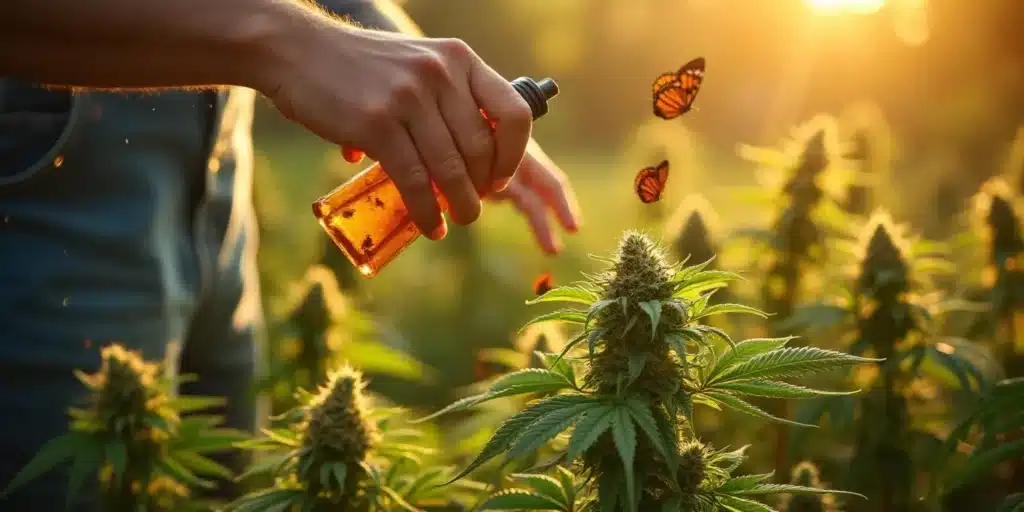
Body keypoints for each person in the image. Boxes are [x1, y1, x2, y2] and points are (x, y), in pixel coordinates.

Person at [0, 0, 582, 507]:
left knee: (231, 487)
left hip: (221, 161)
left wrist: (434, 93)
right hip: (51, 157)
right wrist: (281, 38)